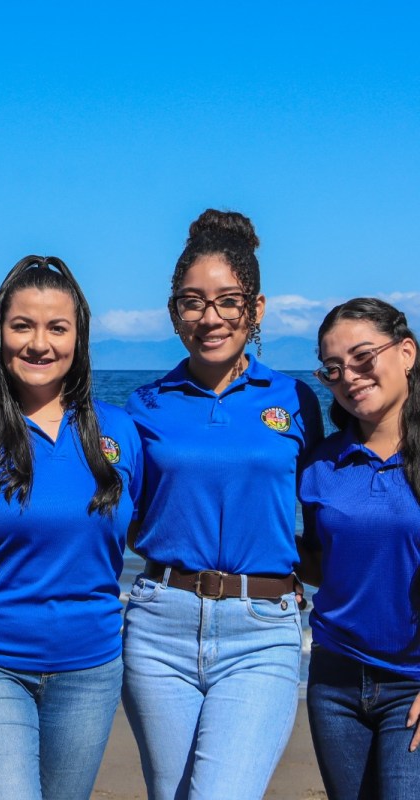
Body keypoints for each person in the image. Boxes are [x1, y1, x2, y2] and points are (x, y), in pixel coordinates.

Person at [122, 209, 324, 799]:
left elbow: (331, 511)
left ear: (255, 309)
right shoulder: (143, 406)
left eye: (227, 301)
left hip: (262, 630)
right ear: (173, 312)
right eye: (192, 302)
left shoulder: (295, 400)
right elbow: (118, 514)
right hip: (159, 626)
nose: (209, 318)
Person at [0, 256, 142, 799]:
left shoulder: (119, 432)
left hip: (90, 667)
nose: (39, 343)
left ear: (80, 338)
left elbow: (159, 532)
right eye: (22, 325)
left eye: (57, 327)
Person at [298, 298, 420, 799]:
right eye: (333, 369)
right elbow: (320, 562)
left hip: (412, 683)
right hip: (333, 679)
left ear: (407, 352)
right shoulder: (319, 465)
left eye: (363, 358)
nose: (349, 376)